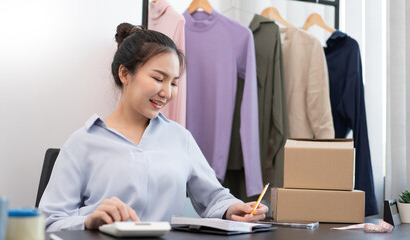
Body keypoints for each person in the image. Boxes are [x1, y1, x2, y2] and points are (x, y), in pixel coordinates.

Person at [39, 23, 268, 232]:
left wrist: (233, 209)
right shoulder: (82, 142)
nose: (167, 93)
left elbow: (215, 198)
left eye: (174, 82)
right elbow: (49, 220)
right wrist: (89, 220)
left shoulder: (180, 138)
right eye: (158, 79)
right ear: (125, 74)